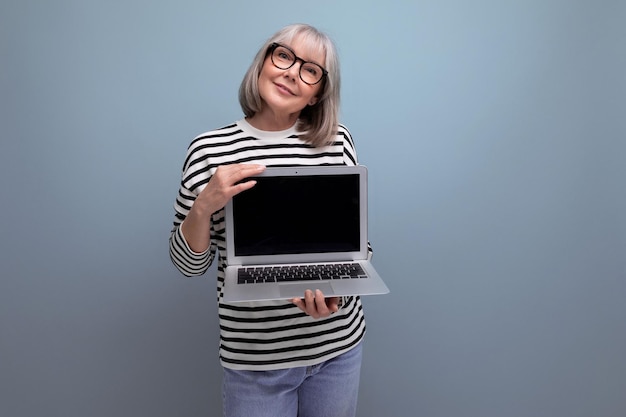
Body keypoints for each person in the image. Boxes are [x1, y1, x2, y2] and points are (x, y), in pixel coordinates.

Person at [169, 23, 369, 417]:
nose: (293, 72)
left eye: (311, 70)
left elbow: (357, 246)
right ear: (264, 62)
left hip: (337, 350)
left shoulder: (336, 141)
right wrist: (203, 205)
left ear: (316, 94)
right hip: (256, 361)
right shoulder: (209, 149)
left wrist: (337, 294)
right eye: (285, 56)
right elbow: (188, 265)